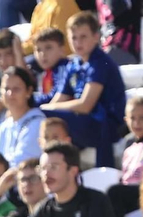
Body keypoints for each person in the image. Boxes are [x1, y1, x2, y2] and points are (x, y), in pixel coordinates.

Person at [45, 11, 128, 167]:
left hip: (107, 125)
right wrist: (46, 109)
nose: (78, 43)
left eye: (83, 37)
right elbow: (58, 99)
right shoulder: (73, 64)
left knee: (42, 113)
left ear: (96, 37)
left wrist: (48, 109)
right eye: (74, 38)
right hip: (84, 121)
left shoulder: (101, 63)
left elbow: (85, 105)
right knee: (40, 117)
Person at [0, 65, 44, 169]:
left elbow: (21, 164)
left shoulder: (38, 124)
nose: (10, 94)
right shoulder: (4, 126)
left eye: (16, 89)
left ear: (29, 92)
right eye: (6, 89)